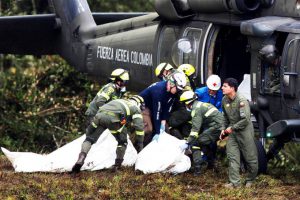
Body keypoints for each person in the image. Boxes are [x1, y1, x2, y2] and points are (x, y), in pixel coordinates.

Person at [72, 95, 145, 173]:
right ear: (139, 103)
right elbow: (139, 127)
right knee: (122, 142)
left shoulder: (118, 100)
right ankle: (117, 166)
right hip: (113, 120)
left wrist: (89, 131)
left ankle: (81, 159)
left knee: (89, 139)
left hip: (99, 116)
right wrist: (140, 143)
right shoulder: (135, 108)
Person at [219, 78, 258, 188]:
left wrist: (232, 128)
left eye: (225, 86)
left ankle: (250, 179)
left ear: (232, 88)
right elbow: (225, 116)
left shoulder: (242, 100)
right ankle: (235, 182)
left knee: (250, 158)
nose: (222, 88)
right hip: (233, 132)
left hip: (244, 131)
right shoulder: (224, 100)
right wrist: (223, 128)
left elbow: (245, 120)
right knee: (232, 156)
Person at [179, 91, 223, 175]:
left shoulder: (196, 110)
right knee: (203, 142)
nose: (185, 106)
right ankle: (212, 163)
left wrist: (188, 142)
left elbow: (195, 130)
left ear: (188, 102)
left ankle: (197, 169)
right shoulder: (201, 104)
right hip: (219, 127)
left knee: (195, 143)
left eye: (184, 103)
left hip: (217, 128)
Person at [139, 72, 187, 143]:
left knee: (165, 130)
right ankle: (141, 146)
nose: (178, 91)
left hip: (154, 106)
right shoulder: (158, 91)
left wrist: (164, 121)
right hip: (143, 106)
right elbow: (157, 113)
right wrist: (158, 132)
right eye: (177, 89)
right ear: (171, 84)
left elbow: (168, 107)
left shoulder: (173, 92)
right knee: (149, 129)